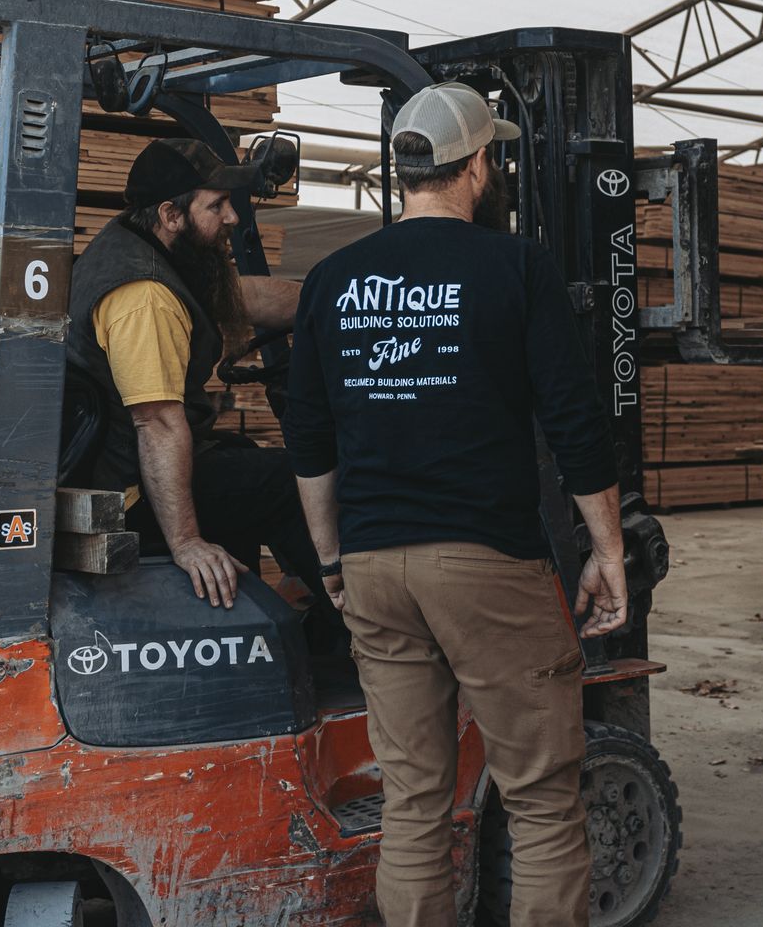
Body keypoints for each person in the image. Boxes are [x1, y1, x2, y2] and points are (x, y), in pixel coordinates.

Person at [283, 83, 631, 927]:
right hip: (484, 564)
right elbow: (575, 420)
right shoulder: (515, 266)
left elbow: (309, 442)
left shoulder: (332, 280)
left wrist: (331, 561)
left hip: (373, 565)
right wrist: (607, 550)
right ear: (480, 163)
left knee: (412, 802)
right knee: (544, 801)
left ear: (403, 172)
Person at [65, 137, 338, 635]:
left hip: (125, 466)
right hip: (129, 490)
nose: (231, 217)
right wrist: (187, 542)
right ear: (172, 214)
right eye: (216, 206)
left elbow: (240, 296)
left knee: (244, 456)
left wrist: (340, 303)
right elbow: (159, 424)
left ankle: (273, 627)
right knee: (289, 481)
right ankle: (359, 630)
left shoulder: (147, 245)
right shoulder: (144, 296)